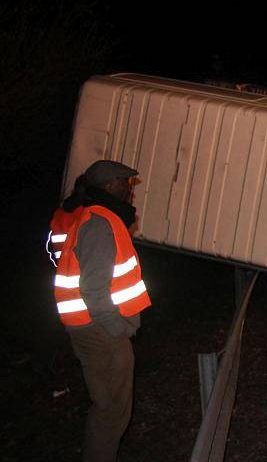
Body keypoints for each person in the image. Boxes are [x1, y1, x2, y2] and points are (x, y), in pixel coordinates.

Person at [52, 160, 151, 461]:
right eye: (124, 182)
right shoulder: (99, 223)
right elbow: (93, 289)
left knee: (111, 410)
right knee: (111, 413)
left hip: (97, 329)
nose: (129, 188)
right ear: (109, 186)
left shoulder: (100, 218)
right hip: (101, 332)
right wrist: (118, 328)